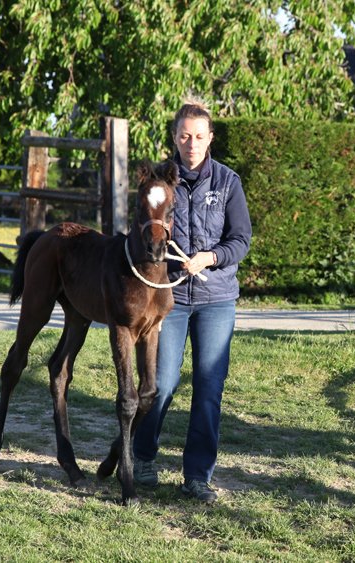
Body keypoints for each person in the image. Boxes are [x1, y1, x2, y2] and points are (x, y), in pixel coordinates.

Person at [131, 97, 252, 504]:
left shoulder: (228, 182)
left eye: (199, 136)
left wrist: (211, 257)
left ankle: (197, 476)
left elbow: (241, 239)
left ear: (210, 138)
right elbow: (142, 231)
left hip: (217, 299)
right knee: (161, 383)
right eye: (185, 136)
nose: (192, 144)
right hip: (170, 297)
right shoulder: (160, 182)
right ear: (175, 137)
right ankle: (143, 456)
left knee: (208, 388)